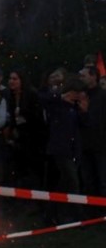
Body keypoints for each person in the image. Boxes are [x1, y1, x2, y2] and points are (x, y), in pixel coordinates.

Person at [41, 76, 89, 223]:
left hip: (73, 150)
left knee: (63, 184)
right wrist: (60, 97)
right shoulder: (57, 105)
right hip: (60, 150)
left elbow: (82, 126)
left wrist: (83, 111)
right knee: (73, 182)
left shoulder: (74, 108)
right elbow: (43, 98)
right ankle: (78, 216)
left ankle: (51, 214)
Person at [4, 69, 46, 188]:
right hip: (19, 140)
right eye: (10, 78)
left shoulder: (32, 95)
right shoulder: (10, 96)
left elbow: (38, 118)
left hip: (33, 140)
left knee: (33, 172)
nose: (11, 81)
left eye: (15, 79)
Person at [78, 66, 106, 197]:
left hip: (101, 146)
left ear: (93, 76)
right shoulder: (81, 96)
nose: (81, 78)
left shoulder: (103, 96)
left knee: (102, 181)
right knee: (88, 181)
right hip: (85, 145)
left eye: (84, 76)